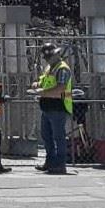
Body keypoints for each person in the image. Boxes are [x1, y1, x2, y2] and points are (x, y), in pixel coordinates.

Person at [36, 42, 74, 174]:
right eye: (46, 58)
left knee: (58, 137)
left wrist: (41, 92)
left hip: (58, 107)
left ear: (57, 54)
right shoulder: (49, 68)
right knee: (47, 136)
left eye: (50, 57)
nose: (48, 60)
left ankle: (60, 164)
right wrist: (37, 85)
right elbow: (44, 81)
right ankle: (50, 162)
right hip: (47, 107)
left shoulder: (62, 69)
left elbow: (60, 88)